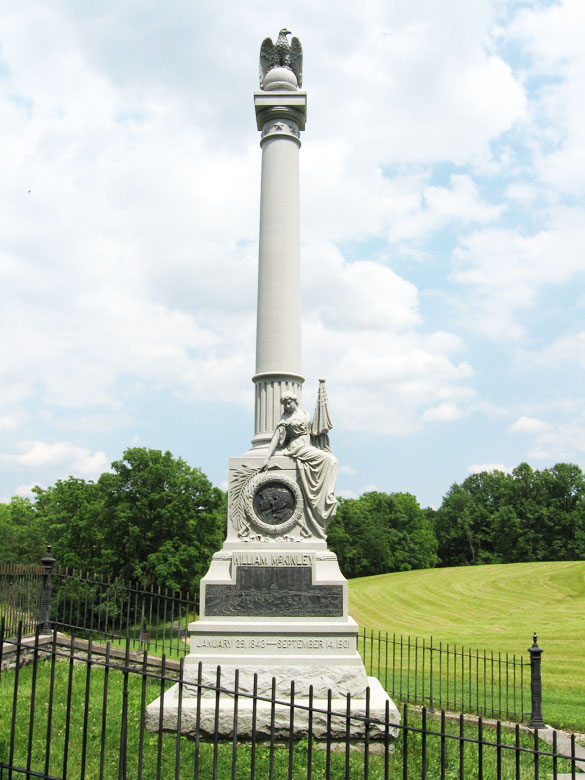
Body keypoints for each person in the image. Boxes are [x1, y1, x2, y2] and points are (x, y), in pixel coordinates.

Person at [261, 392, 338, 538]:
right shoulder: (285, 419)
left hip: (308, 445)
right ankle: (325, 498)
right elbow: (276, 438)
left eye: (288, 402)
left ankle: (326, 495)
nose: (286, 406)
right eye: (284, 404)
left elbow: (312, 430)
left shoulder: (305, 413)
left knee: (332, 461)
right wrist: (267, 457)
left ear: (294, 401)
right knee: (330, 461)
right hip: (298, 447)